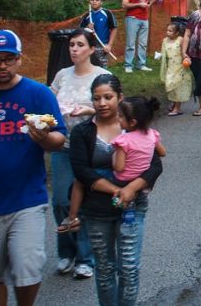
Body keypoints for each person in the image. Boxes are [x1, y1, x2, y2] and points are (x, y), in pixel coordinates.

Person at [70, 74, 162, 306]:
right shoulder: (82, 132)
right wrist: (115, 190)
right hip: (96, 209)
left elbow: (155, 164)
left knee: (129, 267)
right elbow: (81, 170)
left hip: (133, 205)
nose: (102, 103)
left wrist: (131, 188)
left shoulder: (137, 129)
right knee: (105, 268)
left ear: (120, 98)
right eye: (96, 98)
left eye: (108, 97)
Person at [0, 29, 67, 306]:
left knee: (28, 268)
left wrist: (44, 138)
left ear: (19, 60)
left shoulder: (37, 94)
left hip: (26, 198)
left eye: (8, 58)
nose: (2, 65)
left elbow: (60, 138)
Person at [49, 30, 109, 280]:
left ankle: (86, 258)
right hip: (63, 146)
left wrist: (90, 110)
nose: (74, 49)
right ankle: (67, 252)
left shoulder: (102, 76)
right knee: (61, 200)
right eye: (72, 44)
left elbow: (114, 112)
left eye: (80, 45)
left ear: (91, 49)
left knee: (85, 202)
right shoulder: (62, 75)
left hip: (91, 149)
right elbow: (49, 102)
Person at [59, 97, 167, 237]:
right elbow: (162, 153)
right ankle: (126, 207)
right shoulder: (152, 134)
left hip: (122, 179)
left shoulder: (122, 140)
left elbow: (119, 167)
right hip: (141, 180)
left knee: (80, 181)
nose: (117, 118)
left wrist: (116, 154)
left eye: (120, 116)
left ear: (133, 122)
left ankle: (72, 218)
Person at [121, 0, 157, 74]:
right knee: (130, 44)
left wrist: (149, 4)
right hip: (132, 18)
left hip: (144, 19)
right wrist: (138, 4)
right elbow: (124, 4)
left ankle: (141, 64)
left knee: (143, 44)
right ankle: (128, 65)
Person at [159, 22, 193, 116]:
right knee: (169, 84)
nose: (168, 32)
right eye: (167, 30)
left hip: (180, 66)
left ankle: (177, 108)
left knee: (178, 86)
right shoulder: (165, 40)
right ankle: (174, 104)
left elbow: (184, 51)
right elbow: (164, 53)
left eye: (170, 31)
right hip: (170, 67)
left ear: (177, 33)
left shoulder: (180, 40)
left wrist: (186, 59)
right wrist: (160, 56)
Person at [79, 0, 117, 67]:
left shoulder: (107, 13)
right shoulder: (87, 16)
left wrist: (109, 45)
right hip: (89, 46)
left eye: (97, 0)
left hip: (102, 46)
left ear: (101, 2)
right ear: (89, 2)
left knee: (102, 69)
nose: (94, 1)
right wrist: (87, 28)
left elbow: (114, 28)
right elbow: (80, 31)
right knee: (89, 68)